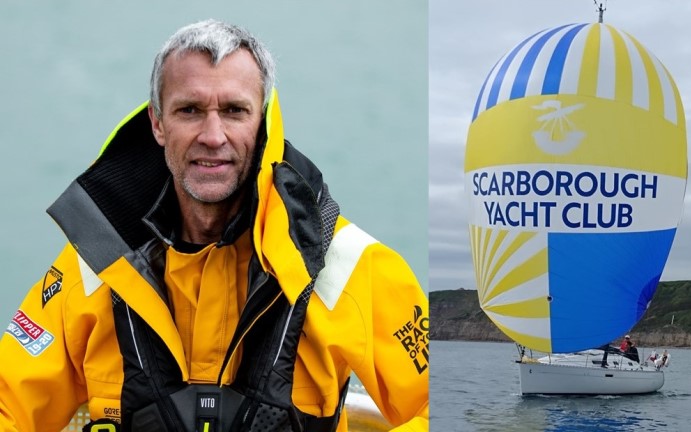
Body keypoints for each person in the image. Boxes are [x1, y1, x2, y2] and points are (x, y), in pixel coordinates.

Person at [0, 20, 428, 431]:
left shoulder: (348, 265)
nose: (213, 135)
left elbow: (432, 404)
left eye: (234, 111)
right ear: (158, 124)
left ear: (261, 122)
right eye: (189, 110)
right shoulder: (92, 268)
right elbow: (9, 404)